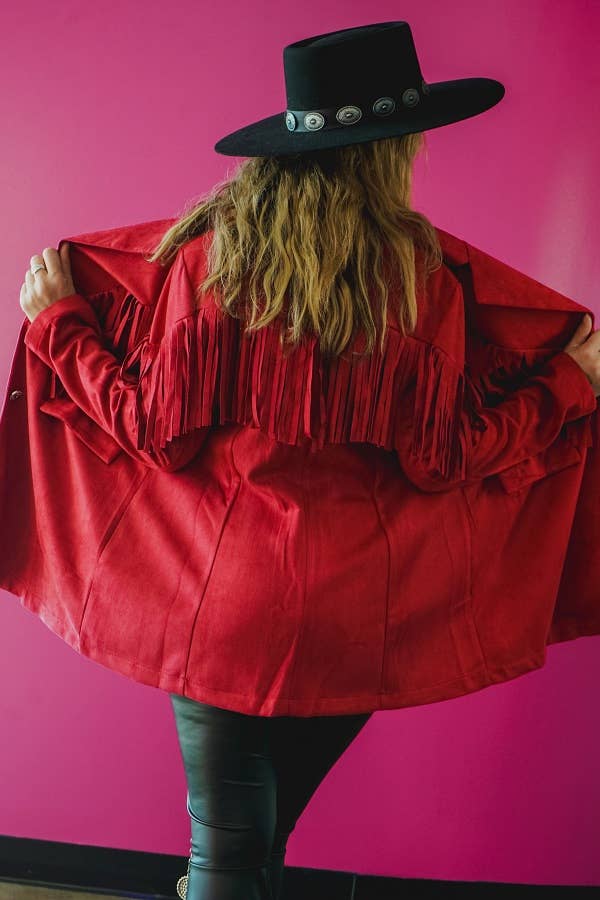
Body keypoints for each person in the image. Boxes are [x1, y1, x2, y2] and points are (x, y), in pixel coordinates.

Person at [14, 22, 600, 900]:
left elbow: (149, 428)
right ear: (390, 153)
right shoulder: (417, 280)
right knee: (260, 838)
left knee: (228, 851)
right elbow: (451, 459)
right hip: (356, 622)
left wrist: (62, 323)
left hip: (219, 610)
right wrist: (565, 383)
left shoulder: (211, 265)